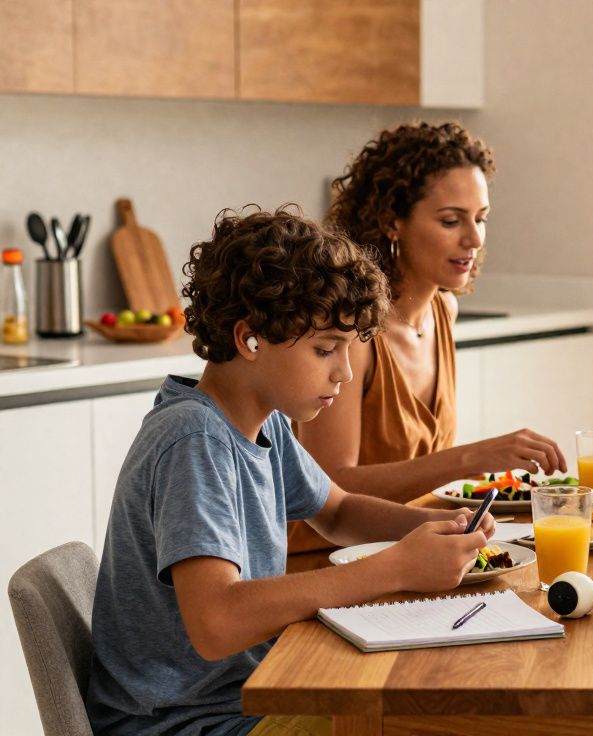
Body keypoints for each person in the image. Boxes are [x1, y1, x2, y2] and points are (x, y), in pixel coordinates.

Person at [85, 208, 495, 736]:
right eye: (326, 349)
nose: (344, 373)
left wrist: (430, 530)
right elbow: (216, 621)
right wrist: (395, 568)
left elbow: (339, 511)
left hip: (244, 699)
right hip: (186, 723)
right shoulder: (195, 439)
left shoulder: (263, 424)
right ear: (250, 339)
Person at [292, 121, 567, 552]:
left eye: (481, 219)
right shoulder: (353, 332)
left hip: (406, 548)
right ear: (391, 222)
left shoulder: (443, 310)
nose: (474, 238)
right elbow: (328, 487)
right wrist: (470, 458)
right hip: (329, 560)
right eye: (451, 220)